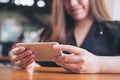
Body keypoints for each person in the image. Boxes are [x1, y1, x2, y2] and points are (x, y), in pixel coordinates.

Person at [10, 0, 120, 73]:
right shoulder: (50, 31)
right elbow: (37, 65)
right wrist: (26, 62)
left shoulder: (115, 29)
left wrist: (99, 64)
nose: (72, 3)